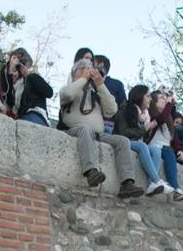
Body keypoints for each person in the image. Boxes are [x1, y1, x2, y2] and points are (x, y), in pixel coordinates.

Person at [58, 58, 144, 198]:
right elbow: (68, 95)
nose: (88, 71)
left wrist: (100, 85)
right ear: (74, 74)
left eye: (89, 68)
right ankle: (91, 172)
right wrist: (83, 79)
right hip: (75, 130)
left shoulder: (95, 93)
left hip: (98, 134)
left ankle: (127, 183)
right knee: (85, 129)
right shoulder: (68, 89)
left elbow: (112, 110)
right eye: (83, 68)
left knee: (123, 141)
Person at [116, 85, 169, 197]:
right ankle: (156, 180)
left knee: (156, 150)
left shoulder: (146, 115)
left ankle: (151, 185)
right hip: (123, 140)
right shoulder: (125, 108)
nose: (150, 99)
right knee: (143, 146)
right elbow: (123, 132)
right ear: (140, 96)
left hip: (136, 141)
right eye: (148, 96)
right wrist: (144, 129)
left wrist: (147, 131)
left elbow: (141, 136)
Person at [145, 91, 183, 203]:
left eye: (166, 98)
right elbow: (161, 119)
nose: (165, 99)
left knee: (170, 153)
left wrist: (179, 150)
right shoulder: (151, 115)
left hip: (166, 148)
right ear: (154, 102)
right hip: (154, 146)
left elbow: (173, 137)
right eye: (161, 98)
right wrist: (169, 104)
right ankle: (174, 188)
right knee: (168, 151)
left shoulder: (168, 118)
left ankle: (176, 189)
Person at [92, 54, 126, 134]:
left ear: (101, 65)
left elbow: (123, 107)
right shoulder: (87, 81)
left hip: (108, 125)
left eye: (92, 63)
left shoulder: (116, 84)